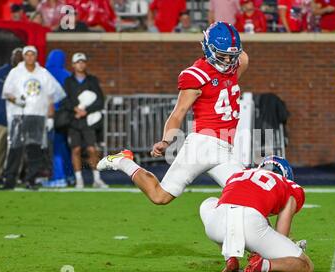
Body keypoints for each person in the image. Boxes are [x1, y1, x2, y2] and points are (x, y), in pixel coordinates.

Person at [97, 22, 249, 205]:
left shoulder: (235, 65)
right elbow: (178, 113)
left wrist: (230, 41)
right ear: (208, 50)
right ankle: (122, 161)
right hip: (203, 145)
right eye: (223, 56)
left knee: (247, 195)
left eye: (231, 56)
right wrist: (166, 140)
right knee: (160, 196)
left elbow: (243, 57)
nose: (227, 61)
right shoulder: (197, 76)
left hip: (227, 148)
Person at [200, 156, 313, 272]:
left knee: (209, 202)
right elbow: (281, 235)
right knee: (306, 266)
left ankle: (229, 257)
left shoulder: (241, 173)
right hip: (249, 225)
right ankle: (262, 265)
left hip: (215, 225)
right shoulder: (290, 186)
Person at [0, 46, 66, 190]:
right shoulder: (15, 72)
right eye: (27, 55)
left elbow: (51, 95)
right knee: (15, 148)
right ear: (24, 56)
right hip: (19, 115)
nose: (30, 57)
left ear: (36, 56)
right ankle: (9, 180)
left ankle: (31, 179)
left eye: (32, 55)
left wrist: (50, 116)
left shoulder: (43, 73)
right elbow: (7, 93)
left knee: (35, 148)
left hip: (37, 115)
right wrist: (16, 100)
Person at [60, 52, 107, 189]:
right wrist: (76, 109)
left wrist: (86, 111)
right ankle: (79, 179)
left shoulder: (92, 80)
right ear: (73, 65)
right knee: (76, 149)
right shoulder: (68, 81)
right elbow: (65, 101)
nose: (80, 64)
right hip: (74, 120)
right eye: (78, 62)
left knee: (92, 149)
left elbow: (100, 100)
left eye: (83, 62)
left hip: (89, 120)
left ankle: (96, 179)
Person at [44, 49, 75, 188]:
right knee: (63, 147)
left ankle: (58, 177)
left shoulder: (44, 73)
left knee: (54, 148)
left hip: (48, 114)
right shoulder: (67, 75)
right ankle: (70, 176)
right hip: (65, 116)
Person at [0, 48, 23, 185]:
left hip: (19, 118)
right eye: (15, 55)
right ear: (11, 57)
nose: (17, 58)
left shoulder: (26, 74)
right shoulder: (1, 72)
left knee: (17, 149)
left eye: (20, 56)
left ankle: (13, 176)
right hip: (1, 117)